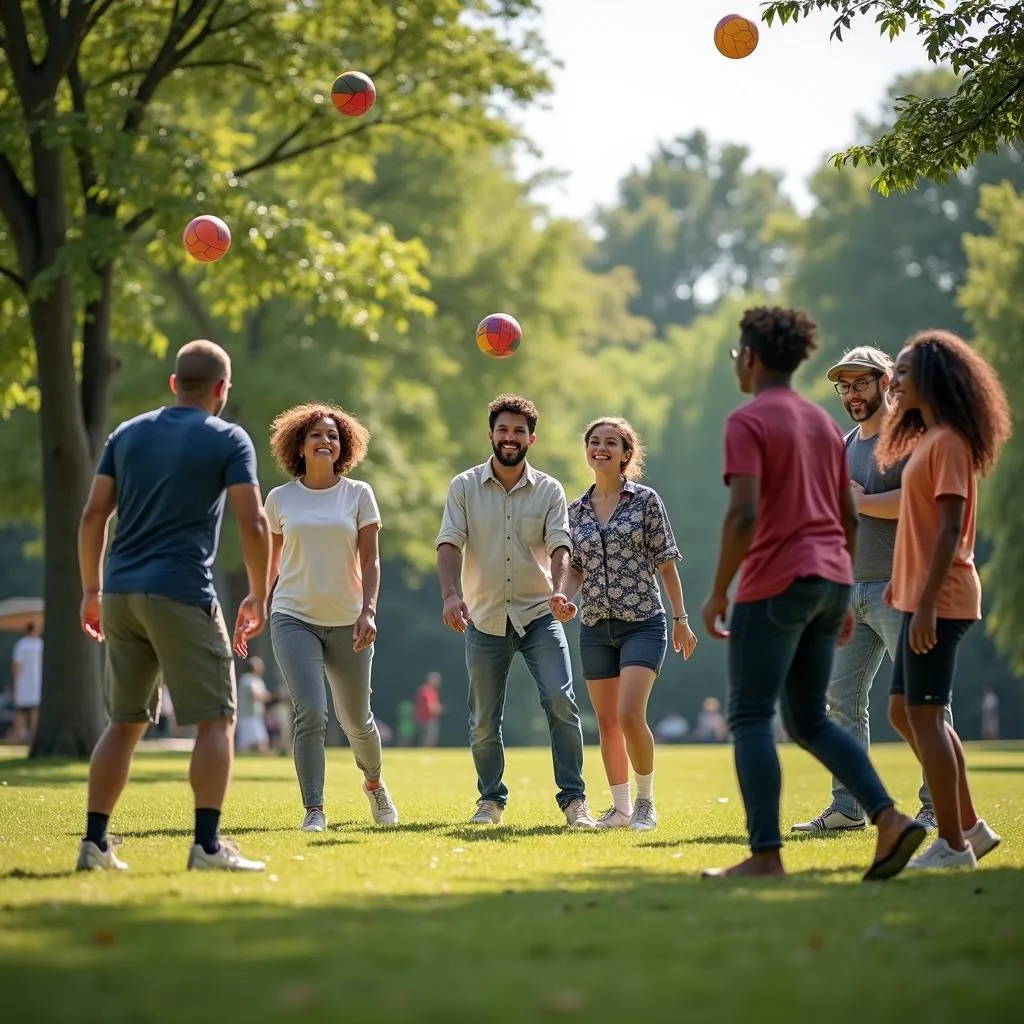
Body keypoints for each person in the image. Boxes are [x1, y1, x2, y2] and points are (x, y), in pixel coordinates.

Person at [699, 306, 926, 880]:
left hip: (776, 580)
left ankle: (765, 855)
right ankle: (890, 820)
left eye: (736, 354)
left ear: (750, 357)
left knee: (750, 715)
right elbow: (844, 517)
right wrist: (842, 587)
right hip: (830, 580)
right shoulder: (825, 427)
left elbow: (743, 514)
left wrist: (719, 590)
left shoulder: (747, 421)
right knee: (811, 720)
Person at [76, 338, 269, 872]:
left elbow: (94, 516)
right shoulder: (228, 438)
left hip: (118, 592)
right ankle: (207, 847)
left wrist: (91, 590)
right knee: (216, 721)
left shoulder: (128, 433)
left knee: (124, 722)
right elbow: (252, 522)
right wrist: (258, 592)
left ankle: (94, 844)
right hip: (181, 591)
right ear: (221, 389)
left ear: (173, 383)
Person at [793, 345, 947, 834]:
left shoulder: (912, 437)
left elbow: (923, 503)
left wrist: (862, 502)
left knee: (925, 702)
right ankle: (849, 806)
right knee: (840, 702)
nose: (852, 394)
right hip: (849, 592)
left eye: (861, 383)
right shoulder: (841, 445)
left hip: (902, 588)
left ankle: (938, 803)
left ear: (885, 382)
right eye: (845, 385)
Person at [877, 329, 1010, 870]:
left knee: (926, 716)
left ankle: (953, 846)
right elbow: (920, 524)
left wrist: (926, 602)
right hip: (915, 595)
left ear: (931, 379)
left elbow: (951, 528)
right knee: (905, 713)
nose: (896, 381)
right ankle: (971, 828)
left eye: (904, 372)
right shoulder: (928, 438)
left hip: (944, 598)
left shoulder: (950, 440)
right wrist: (900, 583)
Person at [436, 393, 596, 828]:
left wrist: (561, 592)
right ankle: (490, 800)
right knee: (484, 720)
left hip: (539, 614)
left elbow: (561, 545)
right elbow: (449, 543)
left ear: (532, 438)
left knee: (562, 700)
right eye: (503, 430)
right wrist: (451, 595)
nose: (510, 437)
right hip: (484, 618)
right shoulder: (464, 486)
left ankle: (574, 801)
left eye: (519, 431)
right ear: (491, 434)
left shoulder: (549, 490)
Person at [248, 402, 398, 833]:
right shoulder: (279, 499)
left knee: (357, 720)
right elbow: (270, 563)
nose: (325, 441)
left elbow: (370, 561)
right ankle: (314, 809)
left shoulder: (359, 495)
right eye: (316, 434)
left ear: (343, 445)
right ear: (299, 444)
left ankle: (374, 784)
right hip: (293, 615)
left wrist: (369, 610)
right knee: (310, 712)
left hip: (349, 620)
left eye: (332, 435)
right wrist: (257, 603)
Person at [551, 417, 697, 831]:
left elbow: (667, 564)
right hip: (596, 626)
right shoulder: (575, 510)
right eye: (594, 442)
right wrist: (564, 595)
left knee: (630, 714)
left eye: (610, 443)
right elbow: (576, 569)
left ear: (625, 454)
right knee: (608, 723)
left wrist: (681, 619)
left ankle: (646, 803)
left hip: (642, 624)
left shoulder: (645, 501)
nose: (601, 448)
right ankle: (619, 808)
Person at [11, 622, 43, 745]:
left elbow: (16, 665)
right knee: (35, 710)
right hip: (37, 683)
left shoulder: (21, 645)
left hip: (23, 683)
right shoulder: (40, 644)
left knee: (20, 711)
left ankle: (17, 736)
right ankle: (33, 736)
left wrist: (16, 680)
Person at [236, 656, 271, 755]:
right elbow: (253, 695)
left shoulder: (258, 680)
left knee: (262, 740)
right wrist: (264, 696)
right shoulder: (246, 679)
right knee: (245, 744)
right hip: (247, 716)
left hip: (256, 716)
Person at [415, 671, 445, 747]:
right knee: (429, 738)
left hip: (427, 718)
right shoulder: (427, 690)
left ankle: (425, 754)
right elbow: (430, 706)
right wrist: (439, 708)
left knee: (428, 737)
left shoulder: (429, 690)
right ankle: (424, 754)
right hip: (428, 718)